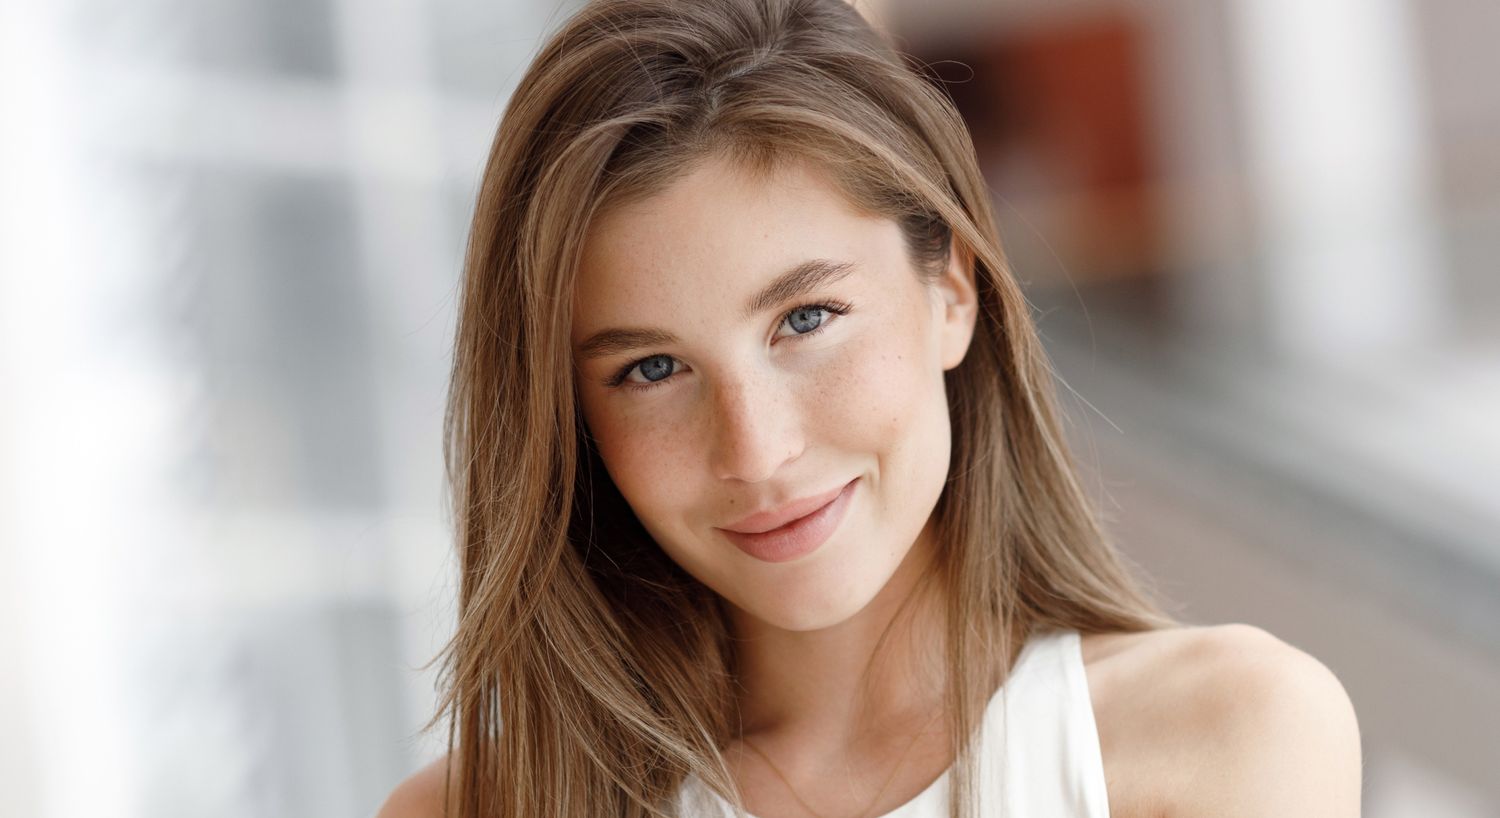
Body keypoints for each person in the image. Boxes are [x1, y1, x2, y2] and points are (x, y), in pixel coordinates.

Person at [377, 0, 1362, 815]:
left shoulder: (1225, 733)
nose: (755, 449)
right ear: (572, 420)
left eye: (806, 317)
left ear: (953, 294)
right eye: (651, 369)